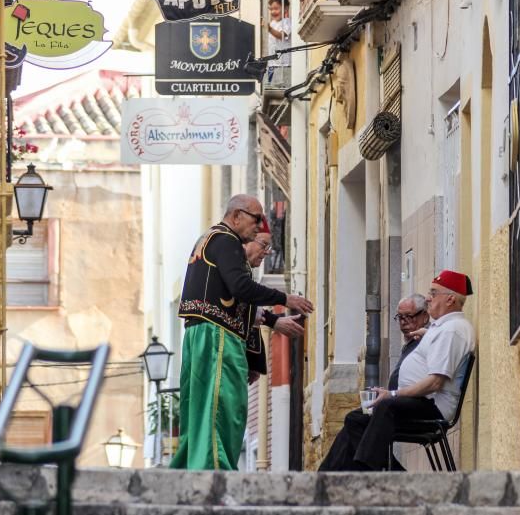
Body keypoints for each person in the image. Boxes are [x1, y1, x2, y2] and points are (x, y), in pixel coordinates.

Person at [171, 195, 314, 470]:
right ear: (236, 215)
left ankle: (191, 469)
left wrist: (272, 321)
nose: (260, 225)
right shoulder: (227, 241)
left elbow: (234, 300)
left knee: (201, 409)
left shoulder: (211, 239)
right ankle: (216, 471)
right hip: (216, 336)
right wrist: (285, 298)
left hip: (202, 335)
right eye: (256, 218)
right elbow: (241, 289)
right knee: (221, 408)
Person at [333, 270, 475, 471]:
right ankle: (328, 475)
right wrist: (427, 334)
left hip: (433, 407)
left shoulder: (453, 330)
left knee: (385, 407)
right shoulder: (444, 328)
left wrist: (392, 393)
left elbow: (435, 383)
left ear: (450, 299)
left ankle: (381, 474)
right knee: (356, 419)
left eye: (433, 293)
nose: (428, 298)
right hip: (422, 402)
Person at [318, 294, 430, 471]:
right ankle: (326, 476)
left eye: (408, 316)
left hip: (414, 405)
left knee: (355, 423)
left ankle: (388, 472)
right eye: (399, 317)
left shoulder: (428, 341)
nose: (403, 322)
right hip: (397, 402)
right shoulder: (410, 344)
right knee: (353, 425)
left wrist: (391, 395)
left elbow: (430, 381)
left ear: (425, 316)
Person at [243, 232, 304, 384]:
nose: (268, 251)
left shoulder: (244, 269)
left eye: (269, 246)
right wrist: (285, 299)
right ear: (247, 240)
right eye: (264, 244)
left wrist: (254, 361)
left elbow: (249, 309)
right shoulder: (232, 264)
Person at [265, 0, 291, 89]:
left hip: (284, 64)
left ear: (285, 9)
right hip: (272, 63)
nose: (273, 11)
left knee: (282, 87)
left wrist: (270, 29)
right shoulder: (272, 23)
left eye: (276, 8)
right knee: (271, 87)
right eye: (271, 9)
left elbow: (282, 36)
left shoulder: (287, 22)